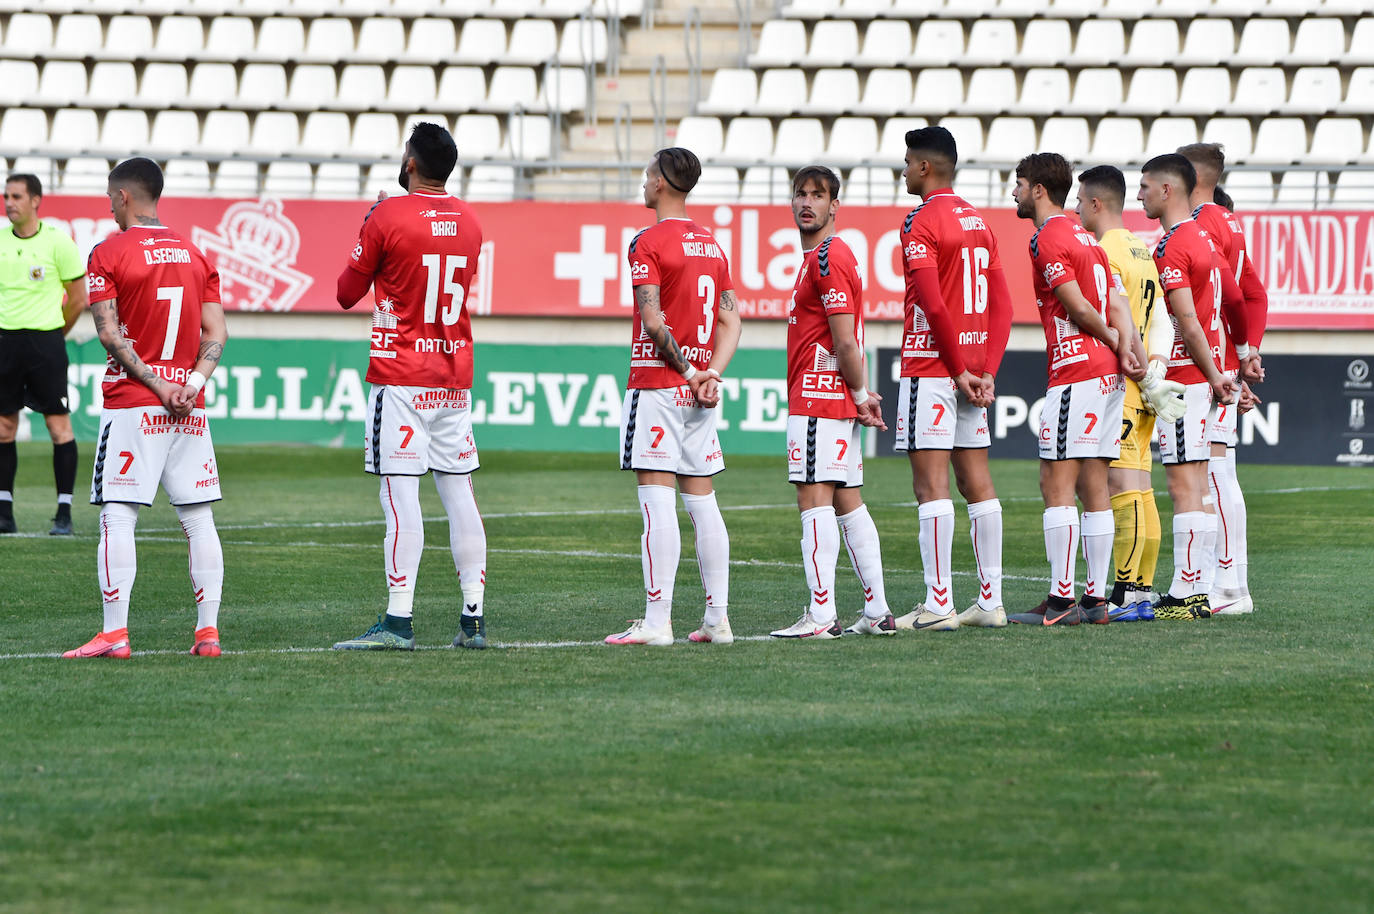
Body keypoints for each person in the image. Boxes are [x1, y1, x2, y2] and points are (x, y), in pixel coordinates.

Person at [331, 122, 489, 651]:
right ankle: (473, 618)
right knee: (459, 493)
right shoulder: (470, 220)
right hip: (452, 375)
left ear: (412, 164)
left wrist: (373, 219)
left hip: (400, 375)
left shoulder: (387, 215)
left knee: (400, 496)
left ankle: (399, 620)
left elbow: (346, 292)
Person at [63, 157, 226, 659]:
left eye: (111, 197)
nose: (110, 206)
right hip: (188, 407)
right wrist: (190, 385)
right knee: (198, 520)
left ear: (124, 196)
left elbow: (109, 333)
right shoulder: (196, 255)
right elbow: (216, 334)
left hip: (136, 403)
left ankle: (114, 632)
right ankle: (208, 633)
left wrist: (157, 385)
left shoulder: (108, 252)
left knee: (117, 514)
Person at [607, 147, 740, 646]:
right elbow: (732, 319)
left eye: (646, 176)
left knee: (656, 501)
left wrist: (687, 372)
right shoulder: (712, 245)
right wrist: (710, 375)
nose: (643, 183)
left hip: (661, 385)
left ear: (662, 182)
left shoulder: (647, 242)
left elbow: (653, 321)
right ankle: (717, 619)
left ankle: (657, 621)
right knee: (703, 502)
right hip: (699, 394)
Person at [1010, 152, 1143, 626]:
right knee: (1095, 486)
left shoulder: (1047, 239)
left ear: (1039, 190)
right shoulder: (1088, 238)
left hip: (1077, 370)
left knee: (1055, 482)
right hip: (1108, 375)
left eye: (1019, 184)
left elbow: (1081, 308)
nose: (1014, 192)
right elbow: (1117, 302)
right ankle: (1094, 600)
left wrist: (1112, 340)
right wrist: (1131, 352)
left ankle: (1062, 600)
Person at [893, 126, 1014, 631]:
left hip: (932, 365)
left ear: (925, 167)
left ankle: (939, 603)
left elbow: (931, 300)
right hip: (972, 371)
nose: (903, 170)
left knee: (931, 487)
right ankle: (990, 601)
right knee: (977, 484)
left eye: (906, 162)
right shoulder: (979, 221)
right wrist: (986, 369)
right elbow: (1004, 304)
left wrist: (958, 368)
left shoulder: (920, 220)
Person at [768, 165, 893, 640]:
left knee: (813, 501)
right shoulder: (824, 256)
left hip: (820, 399)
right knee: (848, 503)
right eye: (800, 194)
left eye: (818, 195)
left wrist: (860, 394)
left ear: (834, 205)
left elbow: (845, 341)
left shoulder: (826, 257)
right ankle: (878, 610)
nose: (806, 202)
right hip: (832, 398)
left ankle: (821, 615)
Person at [1075, 165, 1187, 622]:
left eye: (1080, 200)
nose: (1077, 208)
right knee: (1141, 487)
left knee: (1121, 487)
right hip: (1145, 385)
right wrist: (1156, 370)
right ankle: (1139, 593)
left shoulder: (1103, 251)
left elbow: (1114, 318)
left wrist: (1143, 374)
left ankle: (1124, 592)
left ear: (1096, 204)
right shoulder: (1141, 247)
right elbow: (1161, 315)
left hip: (1122, 384)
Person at [1137, 152, 1243, 621]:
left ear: (1167, 190)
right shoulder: (1204, 238)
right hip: (1205, 376)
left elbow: (1190, 322)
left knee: (1183, 486)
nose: (1138, 194)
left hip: (1186, 378)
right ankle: (1198, 588)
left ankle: (1186, 591)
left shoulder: (1173, 245)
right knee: (1198, 485)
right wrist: (1222, 368)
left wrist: (1212, 373)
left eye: (1144, 186)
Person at [1177, 143, 1267, 616]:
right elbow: (1253, 291)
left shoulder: (1202, 224)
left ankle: (1226, 586)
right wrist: (1247, 351)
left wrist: (1234, 357)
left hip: (1209, 362)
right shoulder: (1229, 222)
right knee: (1220, 468)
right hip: (1224, 357)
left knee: (1214, 470)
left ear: (1190, 175)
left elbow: (1235, 293)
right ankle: (1229, 584)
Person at [0, 173, 88, 535]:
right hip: (5, 343)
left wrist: (55, 335)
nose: (9, 203)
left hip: (46, 345)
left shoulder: (58, 242)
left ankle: (64, 513)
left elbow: (79, 298)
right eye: (6, 197)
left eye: (17, 196)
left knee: (58, 426)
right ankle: (5, 513)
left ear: (36, 200)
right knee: (4, 428)